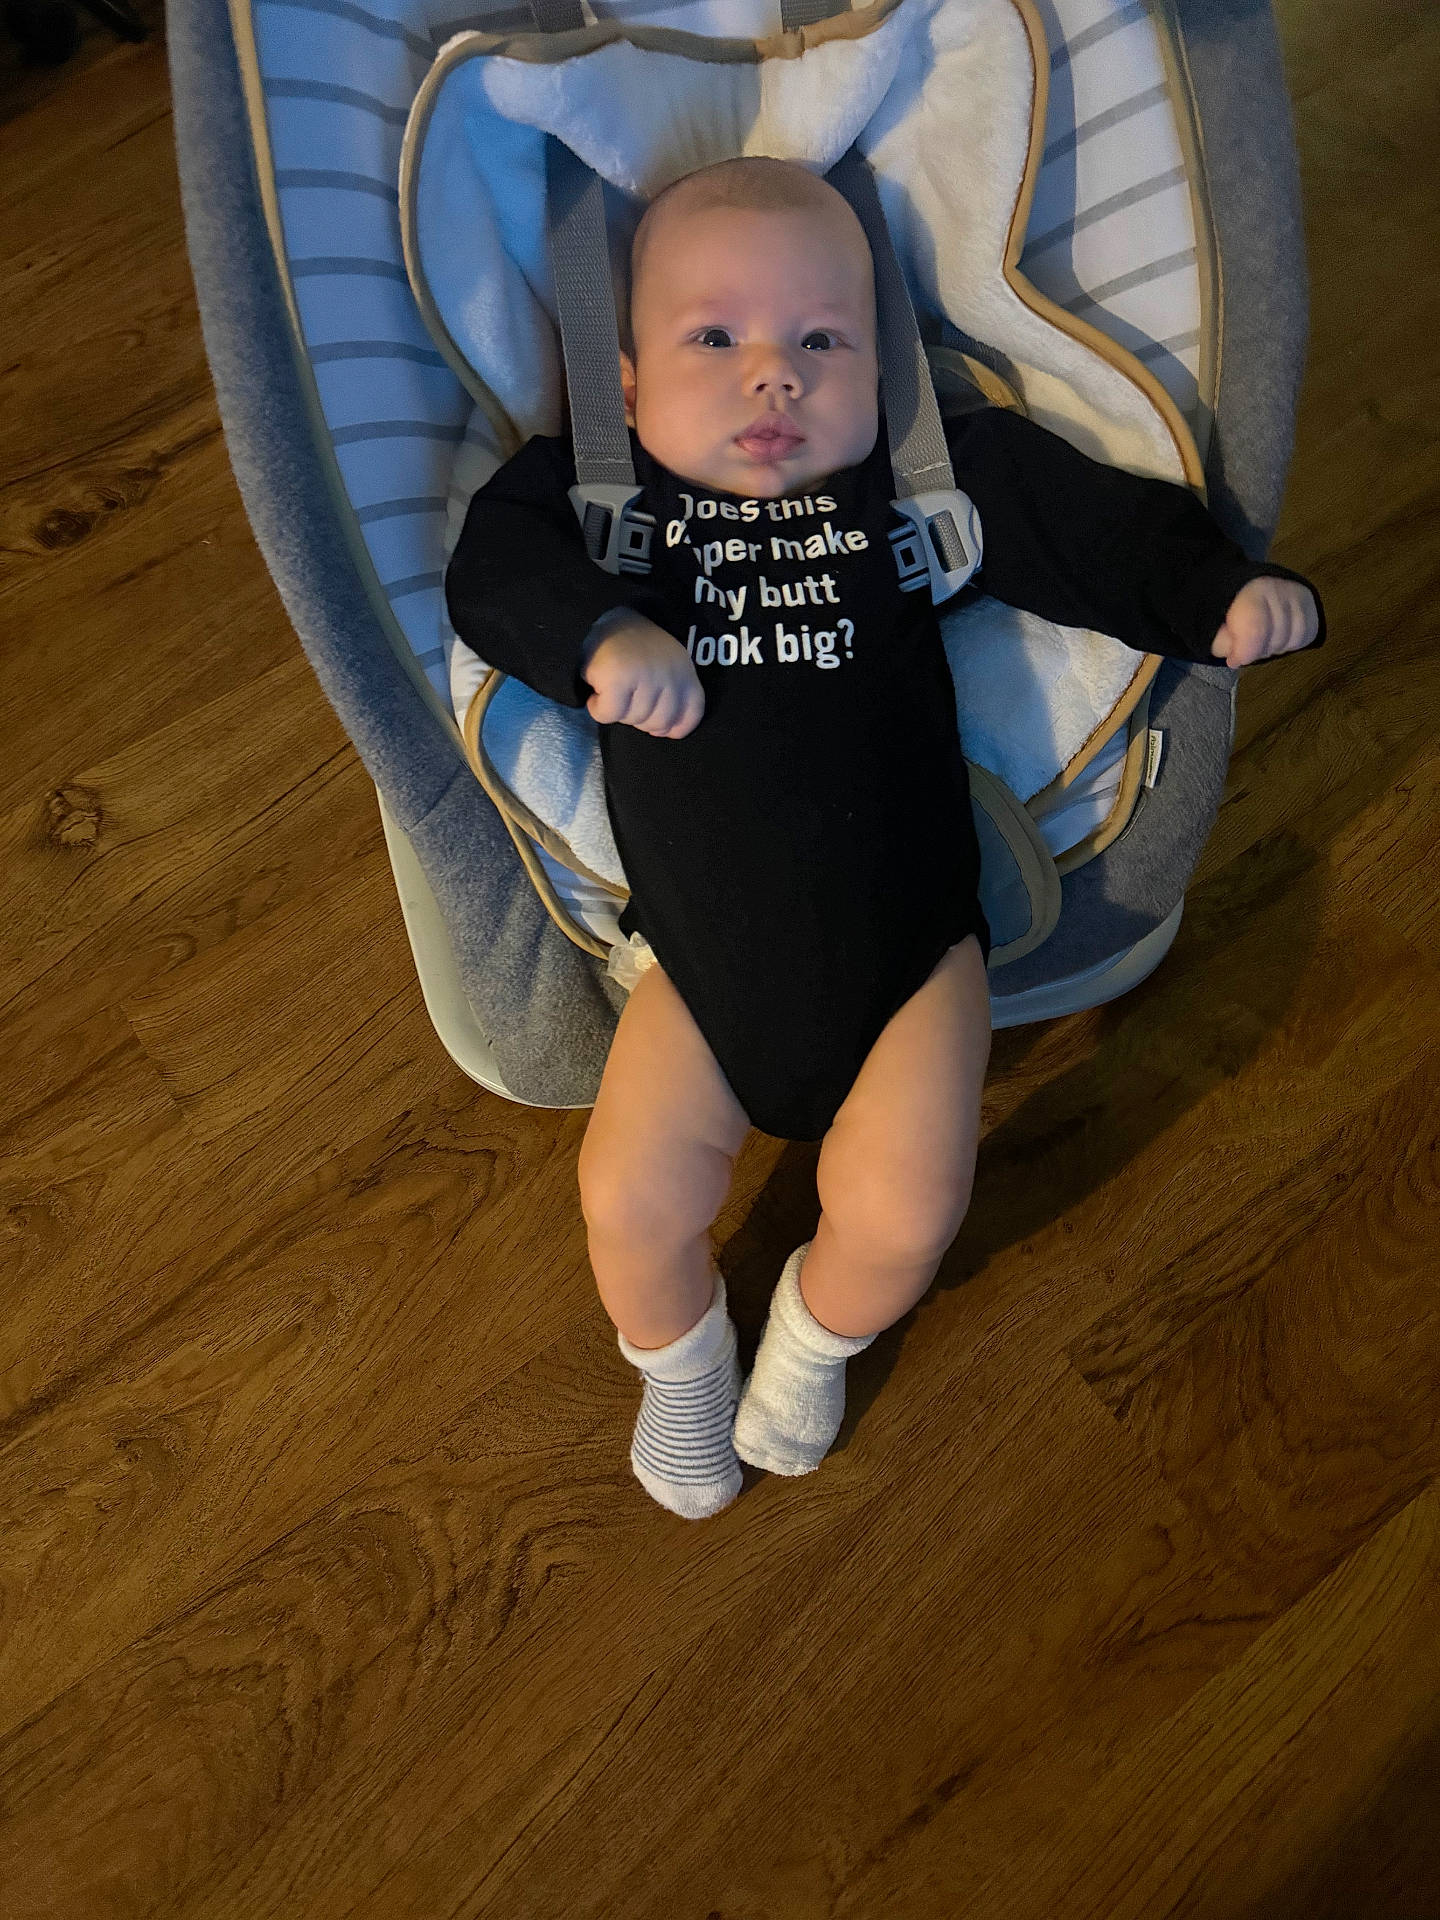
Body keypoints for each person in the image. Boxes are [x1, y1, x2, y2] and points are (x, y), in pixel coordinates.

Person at [445, 156, 1323, 1521]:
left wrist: (1212, 592)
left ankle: (812, 1334)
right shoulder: (609, 519)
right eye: (714, 338)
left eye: (821, 340)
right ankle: (679, 1370)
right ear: (623, 386)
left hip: (916, 944)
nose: (772, 377)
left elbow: (1082, 528)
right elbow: (489, 572)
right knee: (625, 1195)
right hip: (701, 961)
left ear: (885, 367)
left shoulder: (914, 494)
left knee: (910, 1211)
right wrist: (601, 636)